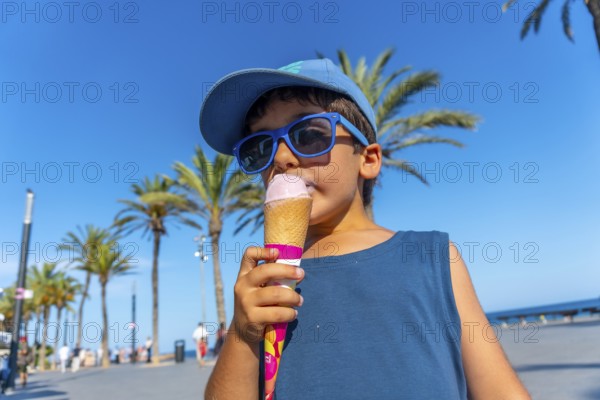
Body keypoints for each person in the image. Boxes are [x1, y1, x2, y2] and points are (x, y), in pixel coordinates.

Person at [201, 59, 531, 399]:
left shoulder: (432, 258)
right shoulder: (265, 283)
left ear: (368, 159)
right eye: (259, 149)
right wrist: (242, 334)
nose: (282, 157)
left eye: (308, 134)